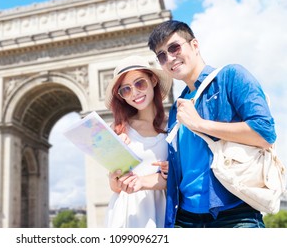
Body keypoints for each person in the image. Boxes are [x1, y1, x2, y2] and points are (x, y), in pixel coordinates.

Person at [147, 20, 276, 228]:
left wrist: (200, 124)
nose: (170, 58)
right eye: (161, 55)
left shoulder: (231, 76)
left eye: (174, 47)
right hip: (184, 218)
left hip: (234, 213)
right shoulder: (176, 110)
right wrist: (174, 168)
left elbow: (265, 134)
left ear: (195, 45)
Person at [104, 55, 173, 228]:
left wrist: (168, 172)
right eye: (125, 89)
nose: (134, 92)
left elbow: (180, 177)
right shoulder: (119, 129)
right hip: (126, 213)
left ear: (153, 80)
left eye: (139, 83)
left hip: (162, 209)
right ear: (121, 96)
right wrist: (115, 178)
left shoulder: (175, 125)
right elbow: (114, 186)